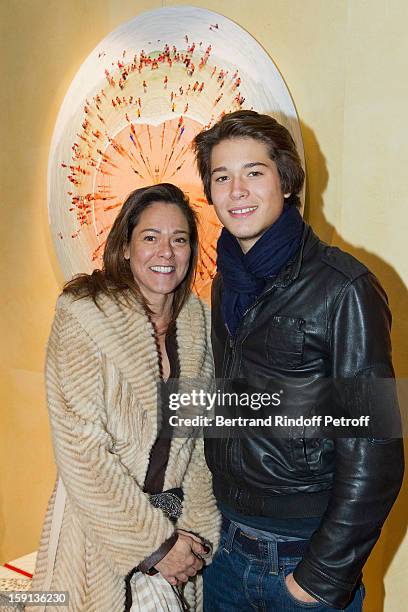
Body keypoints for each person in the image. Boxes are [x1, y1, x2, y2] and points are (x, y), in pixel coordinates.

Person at [193, 110, 404, 610]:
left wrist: (320, 577)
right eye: (222, 177)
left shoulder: (343, 287)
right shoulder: (225, 284)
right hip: (224, 547)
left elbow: (375, 448)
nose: (237, 190)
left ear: (285, 181)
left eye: (254, 172)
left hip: (298, 556)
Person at [30, 183, 220, 612]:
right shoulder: (83, 313)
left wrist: (194, 536)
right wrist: (156, 545)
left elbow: (200, 446)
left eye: (180, 239)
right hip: (98, 534)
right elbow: (80, 451)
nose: (165, 252)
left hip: (178, 541)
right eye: (150, 237)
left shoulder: (197, 323)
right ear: (127, 247)